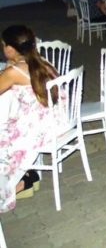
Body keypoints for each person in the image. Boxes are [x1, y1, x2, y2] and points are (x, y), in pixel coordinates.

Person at [0, 25, 58, 211]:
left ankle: (20, 182)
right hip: (54, 120)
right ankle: (26, 177)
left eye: (3, 45)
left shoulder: (14, 72)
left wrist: (8, 69)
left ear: (10, 49)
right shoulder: (42, 62)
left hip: (36, 129)